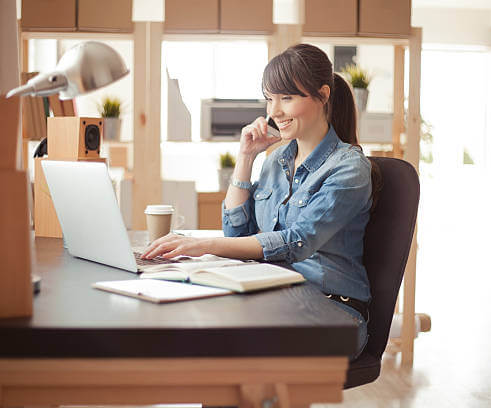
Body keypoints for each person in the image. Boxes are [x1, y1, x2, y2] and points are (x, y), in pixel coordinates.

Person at [142, 43, 380, 359]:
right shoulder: (277, 159)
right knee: (190, 322)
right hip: (276, 297)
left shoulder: (349, 167)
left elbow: (297, 242)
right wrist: (246, 156)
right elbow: (239, 237)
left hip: (333, 310)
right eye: (270, 99)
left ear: (322, 95)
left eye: (287, 98)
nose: (273, 112)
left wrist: (202, 245)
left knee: (221, 346)